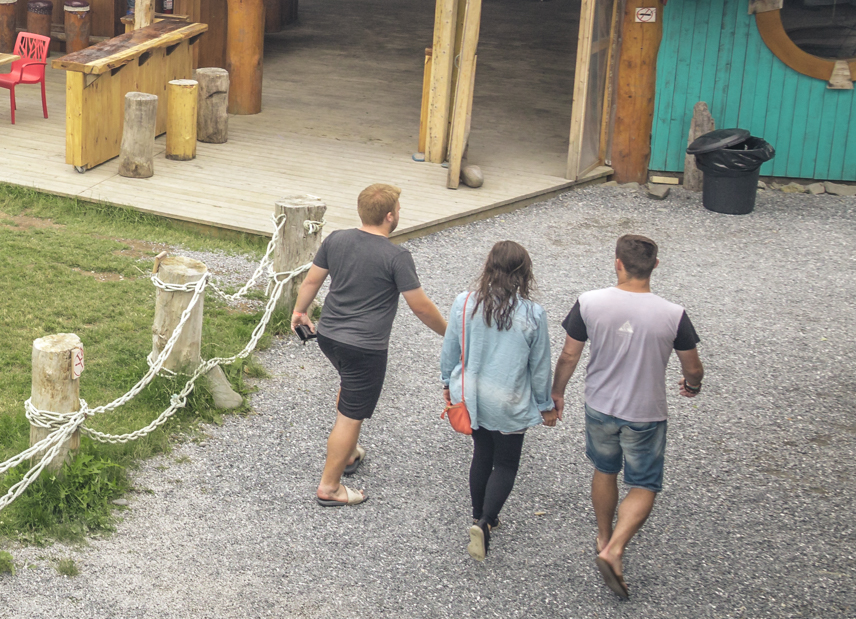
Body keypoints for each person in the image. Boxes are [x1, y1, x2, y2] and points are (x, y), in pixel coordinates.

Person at [549, 233, 703, 600]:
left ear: (617, 262)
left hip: (600, 406)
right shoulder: (673, 315)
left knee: (604, 470)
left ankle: (603, 535)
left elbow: (569, 355)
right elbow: (692, 367)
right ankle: (615, 547)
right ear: (655, 266)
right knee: (644, 483)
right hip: (645, 412)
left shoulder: (588, 303)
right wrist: (692, 385)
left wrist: (557, 392)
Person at [291, 184, 446, 506]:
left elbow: (311, 281)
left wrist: (299, 311)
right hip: (365, 347)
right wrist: (451, 333)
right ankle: (330, 487)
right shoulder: (396, 256)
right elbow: (421, 307)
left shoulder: (336, 239)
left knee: (349, 390)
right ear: (390, 216)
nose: (399, 214)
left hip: (330, 337)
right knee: (351, 415)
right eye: (399, 210)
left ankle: (347, 455)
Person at [439, 240, 557, 561]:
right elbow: (540, 367)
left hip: (472, 396)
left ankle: (478, 514)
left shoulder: (464, 303)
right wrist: (546, 405)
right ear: (524, 274)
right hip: (509, 400)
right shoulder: (533, 314)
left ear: (488, 267)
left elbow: (450, 350)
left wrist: (447, 384)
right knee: (505, 463)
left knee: (482, 453)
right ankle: (486, 522)